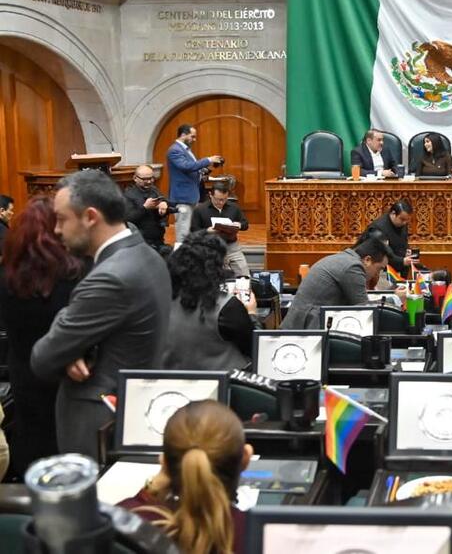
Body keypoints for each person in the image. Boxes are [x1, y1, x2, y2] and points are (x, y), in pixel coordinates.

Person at [31, 170, 171, 457]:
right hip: (135, 409)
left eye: (61, 219)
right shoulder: (144, 253)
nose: (56, 230)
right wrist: (76, 345)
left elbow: (43, 357)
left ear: (90, 217)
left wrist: (70, 344)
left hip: (100, 425)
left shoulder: (110, 277)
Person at [0, 196, 83, 477]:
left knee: (30, 432)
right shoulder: (73, 275)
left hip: (23, 368)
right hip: (68, 370)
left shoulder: (7, 277)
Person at [118, 400, 251, 554]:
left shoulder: (129, 526)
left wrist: (149, 491)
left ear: (164, 464)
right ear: (246, 458)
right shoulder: (260, 534)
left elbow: (125, 516)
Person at [161, 232, 259, 371]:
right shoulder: (226, 306)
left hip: (172, 383)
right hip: (226, 385)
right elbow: (254, 347)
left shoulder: (161, 300)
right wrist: (252, 313)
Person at [280, 234, 401, 329]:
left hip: (302, 322)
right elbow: (363, 309)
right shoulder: (353, 266)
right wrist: (396, 299)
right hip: (306, 329)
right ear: (368, 260)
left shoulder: (345, 258)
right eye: (379, 268)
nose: (377, 274)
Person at [166, 124, 223, 246]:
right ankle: (180, 261)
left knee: (190, 230)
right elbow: (186, 167)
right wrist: (208, 160)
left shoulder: (186, 150)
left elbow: (192, 169)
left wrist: (206, 168)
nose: (194, 140)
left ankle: (190, 259)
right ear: (183, 135)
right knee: (183, 233)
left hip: (191, 196)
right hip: (182, 197)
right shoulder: (175, 150)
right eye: (193, 136)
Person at [189, 180, 249, 277]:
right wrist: (207, 231)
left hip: (232, 247)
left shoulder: (234, 207)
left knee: (244, 274)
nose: (221, 202)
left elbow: (245, 224)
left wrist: (239, 225)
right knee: (211, 277)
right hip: (209, 248)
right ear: (210, 195)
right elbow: (193, 231)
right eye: (218, 199)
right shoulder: (200, 209)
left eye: (224, 199)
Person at [123, 165, 170, 255]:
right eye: (144, 179)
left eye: (151, 178)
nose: (148, 182)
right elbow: (128, 219)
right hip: (140, 242)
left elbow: (164, 201)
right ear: (135, 178)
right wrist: (145, 207)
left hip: (158, 239)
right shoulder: (128, 195)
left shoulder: (154, 190)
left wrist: (164, 204)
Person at [362, 200, 414, 270]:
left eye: (406, 220)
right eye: (402, 219)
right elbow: (382, 254)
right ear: (393, 213)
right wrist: (401, 261)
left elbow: (403, 241)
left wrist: (407, 251)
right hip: (382, 271)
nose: (404, 223)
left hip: (399, 269)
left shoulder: (402, 224)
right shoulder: (378, 229)